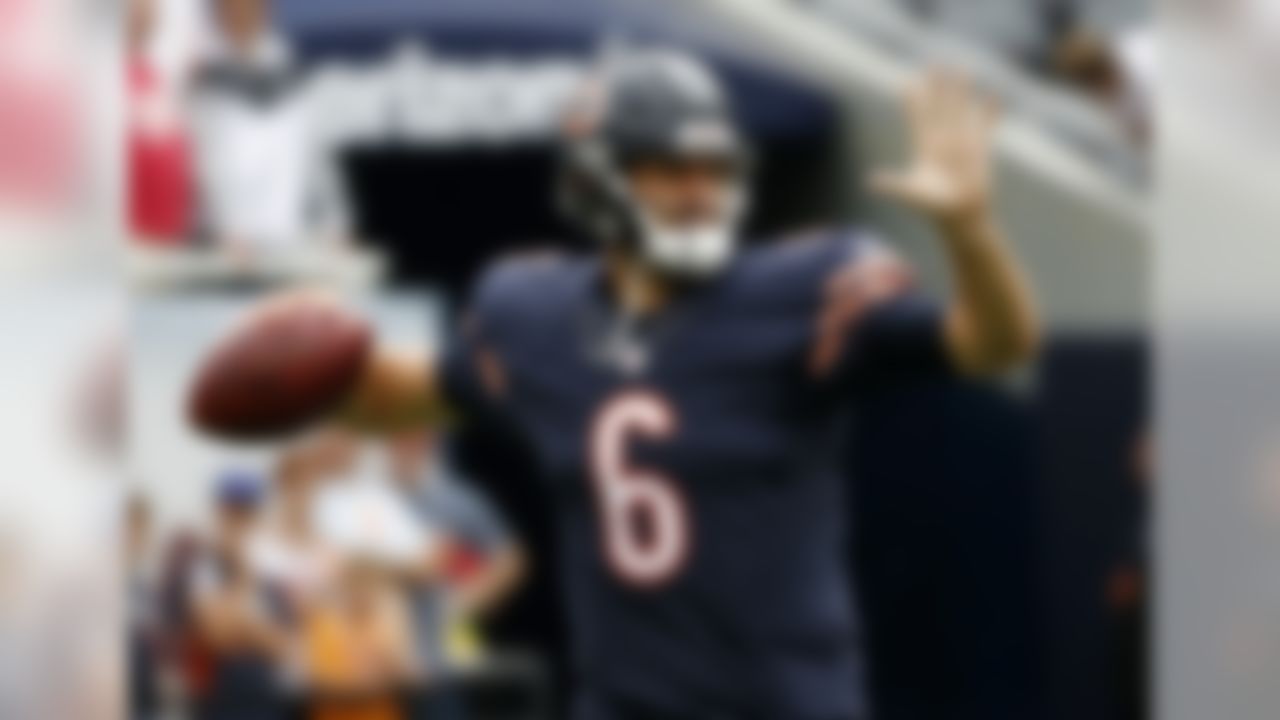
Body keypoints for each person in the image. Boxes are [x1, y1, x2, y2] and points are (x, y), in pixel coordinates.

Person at [233, 50, 1038, 719]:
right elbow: (406, 395)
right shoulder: (535, 315)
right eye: (668, 168)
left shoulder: (799, 288)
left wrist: (971, 235)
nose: (699, 190)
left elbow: (994, 344)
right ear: (595, 178)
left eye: (715, 168)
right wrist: (306, 351)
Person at [191, 0, 350, 261]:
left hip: (285, 239)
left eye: (250, 7)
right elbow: (201, 165)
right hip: (222, 245)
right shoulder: (203, 79)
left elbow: (317, 157)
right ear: (218, 13)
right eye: (231, 8)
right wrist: (224, 228)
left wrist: (336, 222)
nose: (241, 14)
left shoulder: (291, 73)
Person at [386, 429, 527, 718]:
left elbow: (512, 559)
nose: (405, 446)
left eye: (412, 436)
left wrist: (468, 600)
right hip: (378, 667)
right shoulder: (370, 502)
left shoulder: (457, 499)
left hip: (444, 665)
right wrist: (408, 566)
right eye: (397, 437)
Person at [191, 471, 290, 720]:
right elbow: (218, 637)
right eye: (232, 512)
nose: (239, 521)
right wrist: (244, 577)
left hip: (268, 702)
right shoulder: (204, 568)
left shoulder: (272, 570)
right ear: (220, 513)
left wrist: (244, 631)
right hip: (221, 704)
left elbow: (283, 647)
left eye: (246, 513)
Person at [302, 557, 419, 720]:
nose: (363, 593)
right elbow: (316, 684)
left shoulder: (388, 625)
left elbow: (411, 678)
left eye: (372, 587)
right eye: (356, 585)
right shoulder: (323, 625)